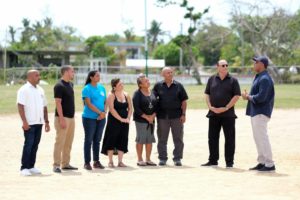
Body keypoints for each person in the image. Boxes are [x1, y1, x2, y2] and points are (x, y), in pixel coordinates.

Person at [201, 60, 241, 168]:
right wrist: (210, 107)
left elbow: (237, 95)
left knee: (230, 139)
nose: (225, 67)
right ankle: (213, 160)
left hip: (228, 114)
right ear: (217, 67)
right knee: (212, 138)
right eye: (223, 65)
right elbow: (207, 94)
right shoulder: (211, 79)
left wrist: (226, 107)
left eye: (227, 65)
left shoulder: (233, 80)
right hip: (213, 113)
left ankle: (229, 162)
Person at [242, 56, 276, 172]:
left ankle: (269, 164)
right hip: (256, 111)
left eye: (256, 62)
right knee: (258, 138)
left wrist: (248, 97)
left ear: (262, 64)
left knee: (262, 138)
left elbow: (262, 97)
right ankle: (262, 162)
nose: (254, 64)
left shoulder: (265, 78)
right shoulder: (260, 77)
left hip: (261, 112)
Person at [17, 70, 50, 176]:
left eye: (39, 75)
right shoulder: (23, 90)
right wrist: (24, 122)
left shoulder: (40, 90)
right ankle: (24, 167)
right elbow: (20, 106)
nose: (39, 77)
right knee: (28, 145)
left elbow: (44, 106)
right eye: (37, 75)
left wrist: (47, 121)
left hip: (39, 122)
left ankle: (31, 166)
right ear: (30, 77)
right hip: (29, 123)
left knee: (35, 145)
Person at [153, 67, 188, 166]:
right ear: (163, 74)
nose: (170, 74)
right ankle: (162, 158)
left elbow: (184, 101)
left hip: (177, 116)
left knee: (178, 138)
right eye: (168, 73)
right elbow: (152, 99)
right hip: (162, 117)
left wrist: (183, 114)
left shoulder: (179, 86)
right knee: (162, 139)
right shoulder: (158, 86)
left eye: (171, 72)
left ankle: (177, 158)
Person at [101, 78, 133, 167]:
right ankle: (110, 161)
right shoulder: (111, 95)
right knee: (111, 139)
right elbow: (111, 109)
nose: (122, 85)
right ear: (114, 87)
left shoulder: (126, 95)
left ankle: (120, 161)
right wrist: (121, 119)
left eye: (122, 83)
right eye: (119, 84)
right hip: (113, 121)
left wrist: (128, 118)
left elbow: (130, 108)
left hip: (125, 121)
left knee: (123, 139)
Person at [53, 65, 77, 173]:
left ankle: (65, 164)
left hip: (71, 118)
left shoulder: (71, 84)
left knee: (68, 142)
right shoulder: (59, 85)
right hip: (62, 118)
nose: (74, 73)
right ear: (66, 72)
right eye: (72, 71)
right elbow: (58, 103)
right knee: (60, 142)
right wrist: (61, 119)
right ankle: (56, 165)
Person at [82, 70, 107, 170]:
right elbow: (88, 104)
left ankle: (96, 161)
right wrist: (99, 113)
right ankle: (87, 162)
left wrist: (104, 112)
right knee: (88, 140)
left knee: (97, 140)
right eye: (96, 76)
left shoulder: (102, 88)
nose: (98, 77)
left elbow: (105, 102)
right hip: (89, 118)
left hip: (101, 118)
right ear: (91, 77)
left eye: (99, 76)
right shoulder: (86, 89)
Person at [132, 74, 158, 166]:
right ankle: (140, 159)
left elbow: (157, 106)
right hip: (141, 120)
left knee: (149, 139)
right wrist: (147, 117)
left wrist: (153, 116)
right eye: (146, 81)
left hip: (152, 120)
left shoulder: (153, 92)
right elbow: (137, 108)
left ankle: (148, 159)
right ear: (140, 85)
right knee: (141, 139)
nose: (148, 82)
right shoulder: (137, 94)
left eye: (148, 80)